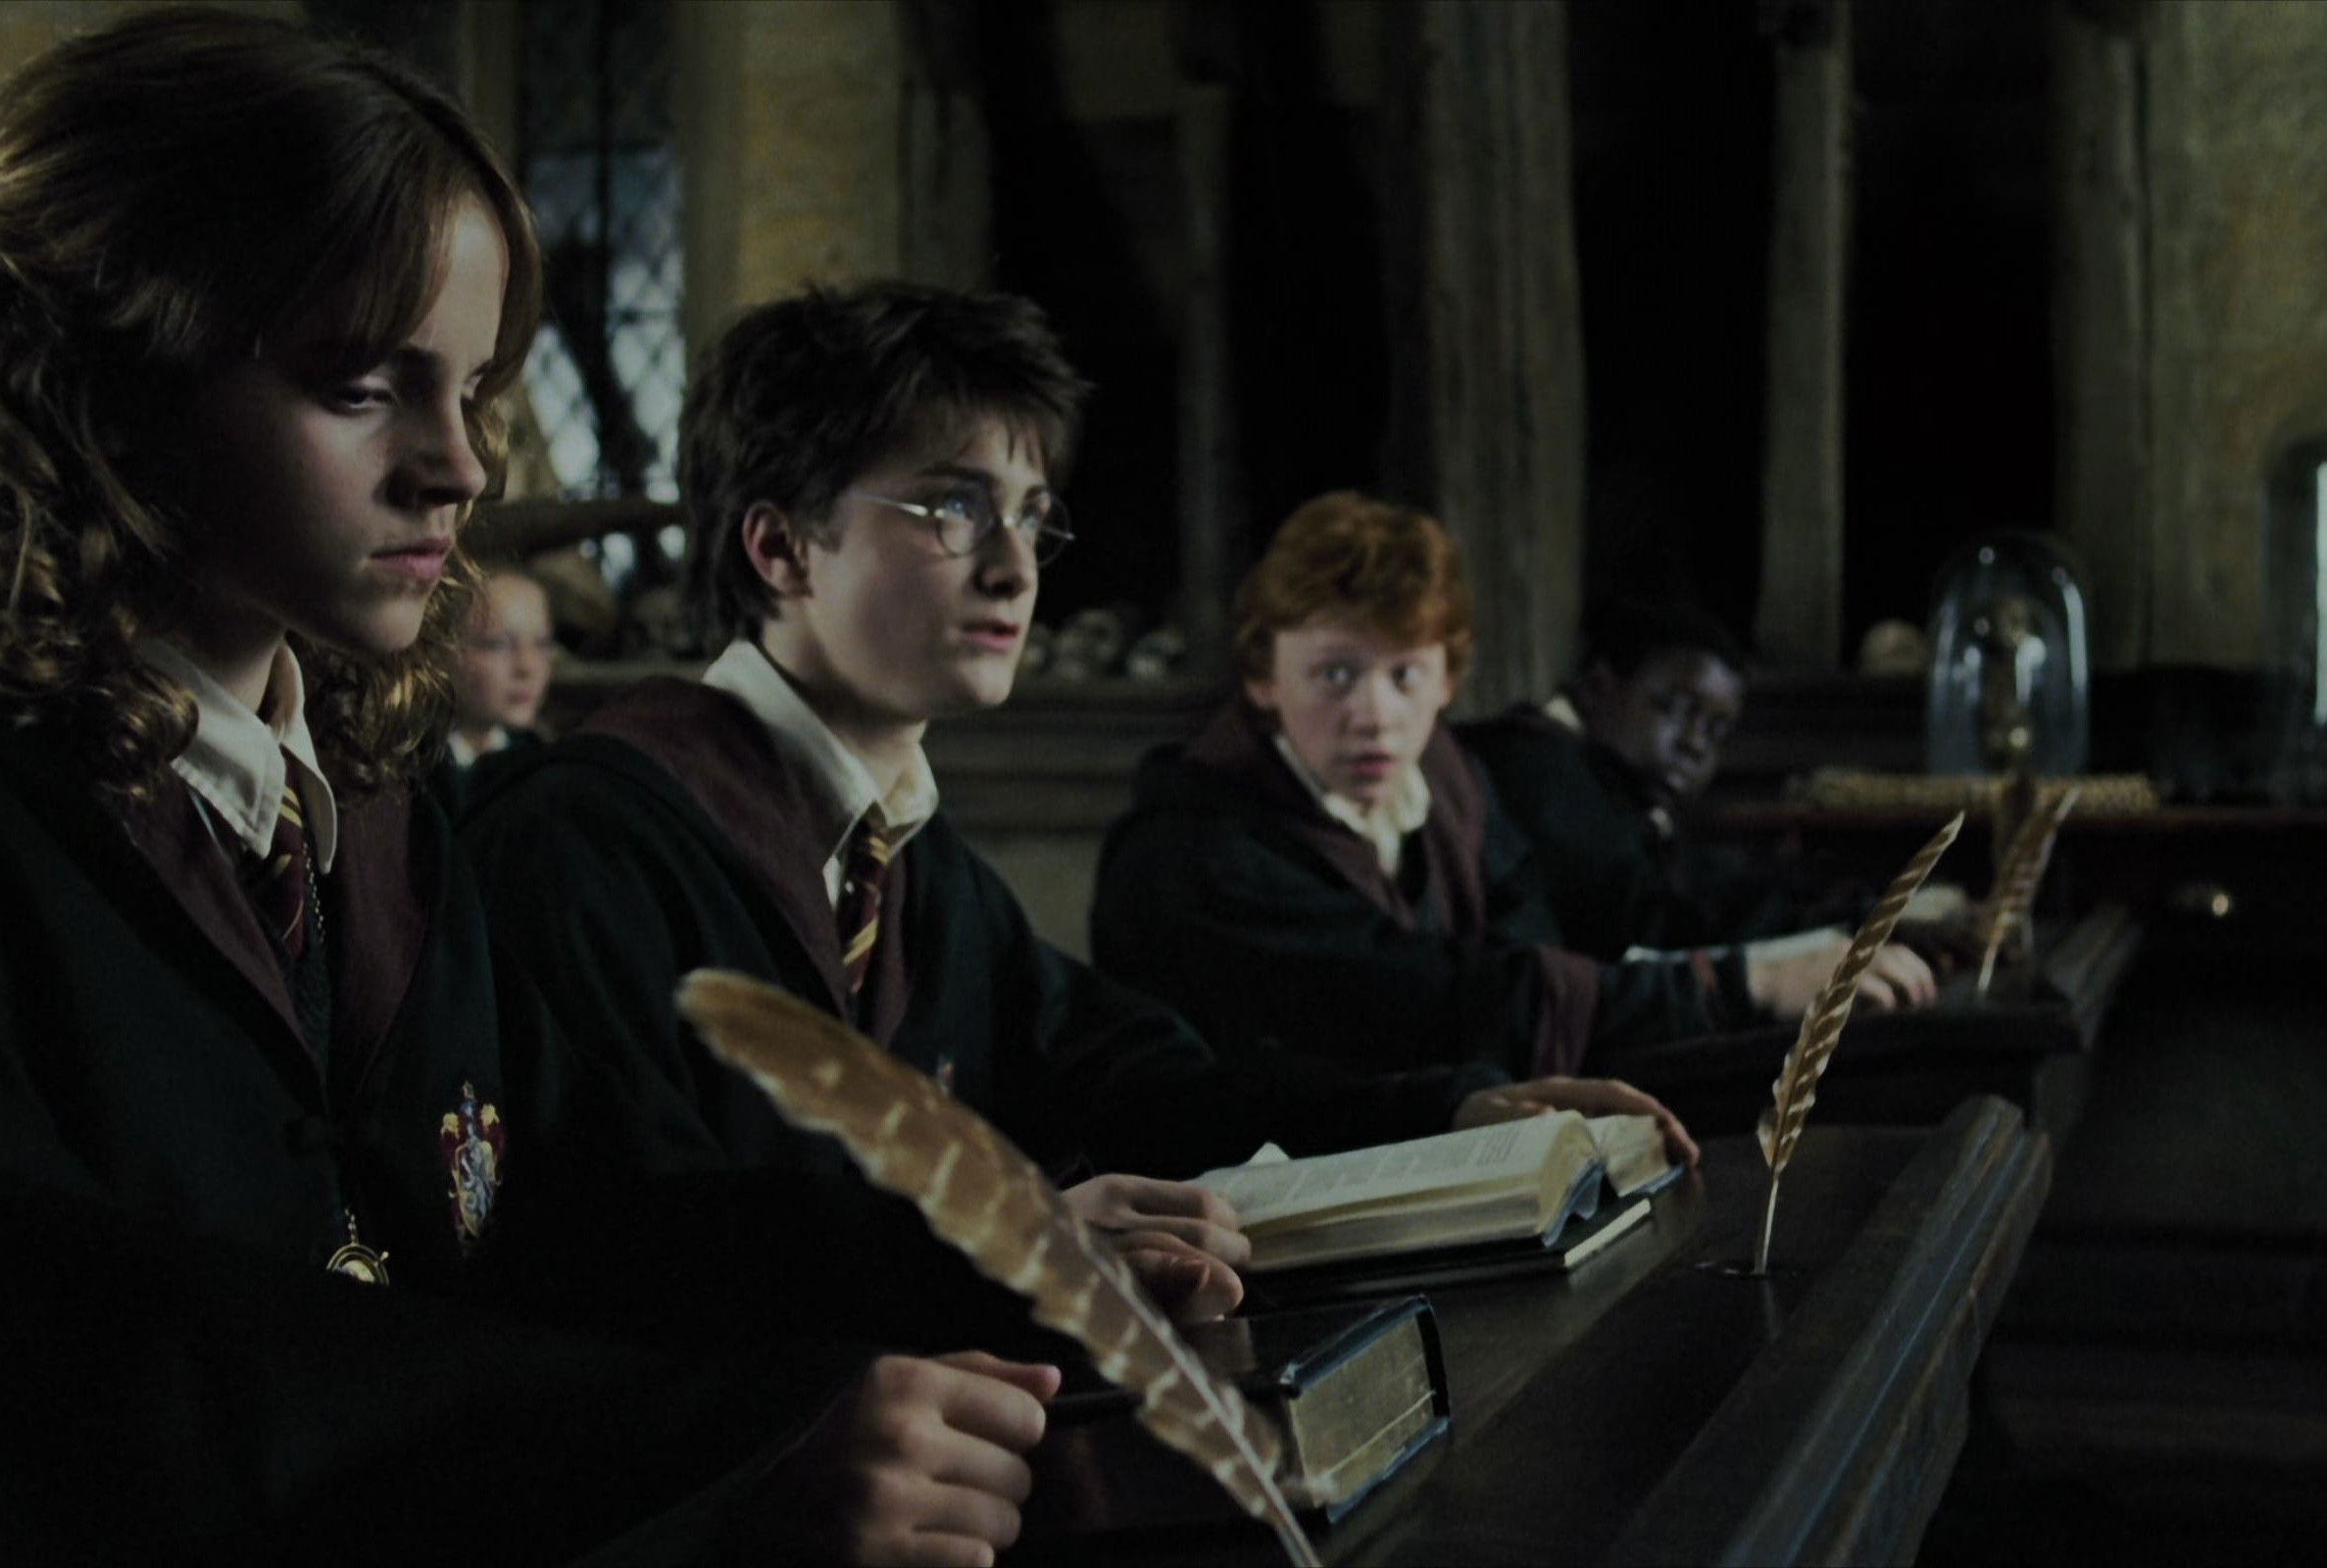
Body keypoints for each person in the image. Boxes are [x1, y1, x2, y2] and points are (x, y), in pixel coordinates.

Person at [0, 15, 1064, 1565]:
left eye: (473, 389)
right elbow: (48, 1420)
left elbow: (581, 1218)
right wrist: (721, 1468)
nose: (461, 468)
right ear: (104, 385)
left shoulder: (379, 824)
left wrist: (1022, 1252)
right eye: (362, 388)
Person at [461, 286, 1695, 1356]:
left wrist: (1450, 1118)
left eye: (1030, 514)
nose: (1016, 568)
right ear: (782, 547)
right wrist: (1015, 1238)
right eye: (952, 510)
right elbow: (619, 1247)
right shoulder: (589, 838)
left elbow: (1147, 1079)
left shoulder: (912, 856)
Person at [1092, 495, 1931, 1089]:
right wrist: (1741, 984)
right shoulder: (1194, 852)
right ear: (1264, 679)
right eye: (1335, 675)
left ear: (1448, 680)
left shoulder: (1445, 783)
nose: (1374, 716)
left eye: (1404, 675)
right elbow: (1433, 1003)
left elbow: (1533, 948)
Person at [1460, 595, 1940, 975]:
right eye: (1676, 708)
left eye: (1715, 730)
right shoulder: (1539, 767)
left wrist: (1860, 909)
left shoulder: (1624, 790)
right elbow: (1647, 915)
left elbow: (1707, 879)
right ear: (1600, 688)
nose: (1694, 744)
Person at [425, 563, 553, 816]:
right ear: (442, 652)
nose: (527, 666)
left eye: (541, 643)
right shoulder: (413, 774)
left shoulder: (541, 761)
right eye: (498, 644)